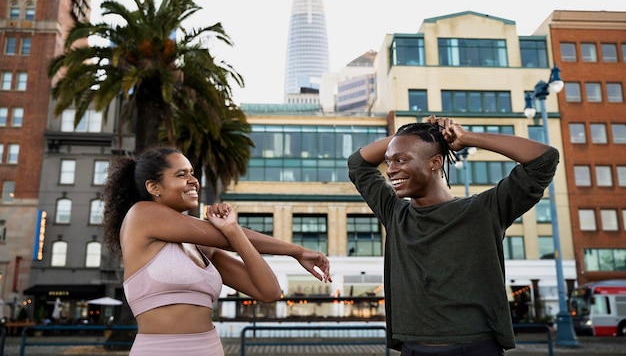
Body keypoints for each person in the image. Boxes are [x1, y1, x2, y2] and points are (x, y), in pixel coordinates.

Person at [347, 115, 559, 356]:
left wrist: (468, 138)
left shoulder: (484, 210)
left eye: (401, 160)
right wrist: (423, 133)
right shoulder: (395, 214)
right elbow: (358, 164)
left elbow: (544, 159)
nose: (391, 170)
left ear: (435, 162)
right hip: (413, 349)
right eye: (388, 161)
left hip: (476, 349)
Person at [102, 146, 331, 356]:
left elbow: (269, 292)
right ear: (154, 187)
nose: (194, 181)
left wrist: (233, 230)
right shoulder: (142, 215)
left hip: (209, 349)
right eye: (181, 175)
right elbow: (224, 238)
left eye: (192, 173)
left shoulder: (202, 247)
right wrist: (296, 251)